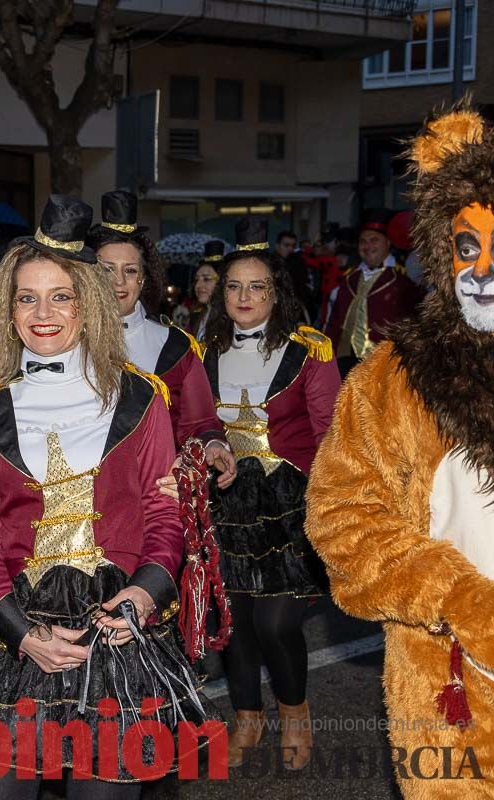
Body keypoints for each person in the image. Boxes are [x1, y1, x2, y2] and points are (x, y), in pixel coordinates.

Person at [0, 195, 219, 799]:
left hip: (116, 630)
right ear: (8, 309)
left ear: (87, 304)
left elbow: (162, 514)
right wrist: (20, 632)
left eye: (61, 296)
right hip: (18, 630)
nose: (43, 313)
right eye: (27, 297)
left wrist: (142, 597)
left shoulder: (143, 399)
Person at [307, 105, 494, 800]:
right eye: (467, 248)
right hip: (442, 682)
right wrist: (461, 599)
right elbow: (341, 517)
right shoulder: (391, 378)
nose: (482, 270)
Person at [196, 216, 340, 770]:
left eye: (257, 286)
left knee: (276, 622)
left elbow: (330, 431)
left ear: (276, 293)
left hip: (288, 506)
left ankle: (295, 711)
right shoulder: (203, 351)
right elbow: (191, 425)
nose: (243, 296)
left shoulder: (311, 349)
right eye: (233, 286)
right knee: (234, 622)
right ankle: (248, 717)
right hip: (224, 503)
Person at [90, 190, 236, 486]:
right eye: (106, 270)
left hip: (156, 495)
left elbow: (200, 423)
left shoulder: (175, 347)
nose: (118, 282)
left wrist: (213, 445)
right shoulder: (60, 341)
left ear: (142, 278)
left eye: (129, 271)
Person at [323, 208, 423, 375]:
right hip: (344, 364)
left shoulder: (403, 282)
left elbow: (415, 326)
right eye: (363, 241)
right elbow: (334, 322)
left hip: (383, 366)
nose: (368, 246)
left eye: (374, 240)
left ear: (387, 243)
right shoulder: (349, 279)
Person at [186, 241, 223, 340]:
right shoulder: (197, 316)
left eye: (206, 279)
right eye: (196, 279)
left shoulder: (230, 320)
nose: (198, 285)